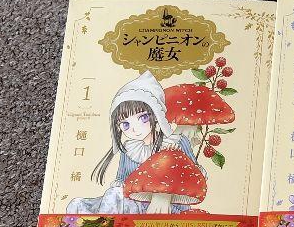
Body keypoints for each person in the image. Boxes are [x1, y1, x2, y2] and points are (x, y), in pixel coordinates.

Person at [67, 72, 200, 215]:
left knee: (114, 196)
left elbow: (195, 179)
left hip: (164, 204)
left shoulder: (177, 142)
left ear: (156, 115)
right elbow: (121, 179)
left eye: (143, 118)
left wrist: (175, 156)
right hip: (133, 199)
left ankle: (107, 226)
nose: (135, 129)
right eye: (125, 124)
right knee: (78, 204)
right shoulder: (128, 149)